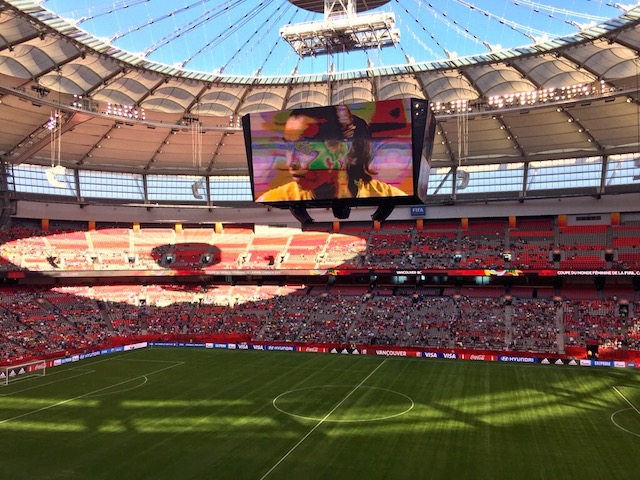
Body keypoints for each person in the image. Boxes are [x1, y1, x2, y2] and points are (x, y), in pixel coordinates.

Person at [256, 105, 407, 202]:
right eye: (288, 147)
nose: (291, 163)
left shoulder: (391, 197)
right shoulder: (274, 199)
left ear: (340, 149)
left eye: (303, 148)